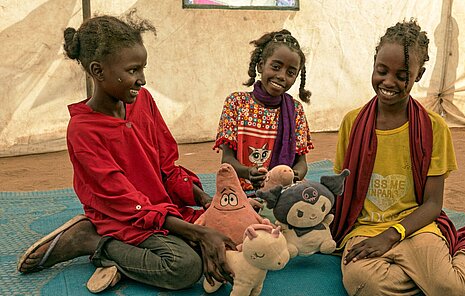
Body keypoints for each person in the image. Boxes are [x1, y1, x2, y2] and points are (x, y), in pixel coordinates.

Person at [17, 12, 236, 293]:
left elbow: (167, 166)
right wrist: (197, 231)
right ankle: (90, 241)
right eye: (133, 71)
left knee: (231, 234)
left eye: (142, 69)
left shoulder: (142, 101)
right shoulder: (83, 130)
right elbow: (123, 201)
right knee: (184, 267)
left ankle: (123, 261)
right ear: (98, 71)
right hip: (120, 217)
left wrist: (207, 202)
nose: (142, 80)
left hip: (158, 209)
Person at [331, 19, 465, 295]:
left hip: (416, 227)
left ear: (419, 75)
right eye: (381, 71)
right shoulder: (352, 123)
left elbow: (433, 204)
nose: (388, 82)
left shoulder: (434, 128)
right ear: (374, 62)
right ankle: (426, 276)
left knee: (453, 289)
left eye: (402, 75)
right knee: (363, 284)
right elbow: (340, 187)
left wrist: (392, 235)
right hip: (365, 230)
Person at [213, 29, 313, 198]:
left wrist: (294, 175)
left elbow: (301, 162)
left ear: (296, 77)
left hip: (281, 193)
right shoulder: (236, 103)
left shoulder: (295, 110)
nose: (281, 76)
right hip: (242, 192)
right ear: (261, 66)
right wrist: (248, 173)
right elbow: (227, 159)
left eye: (290, 73)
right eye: (276, 67)